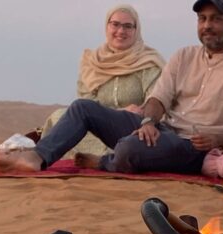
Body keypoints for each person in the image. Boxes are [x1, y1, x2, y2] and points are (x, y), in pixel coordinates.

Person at [0, 0, 223, 175]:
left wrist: (217, 141)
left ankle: (107, 161)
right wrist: (148, 120)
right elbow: (158, 98)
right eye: (203, 19)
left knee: (130, 147)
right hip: (161, 132)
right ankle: (36, 158)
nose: (208, 25)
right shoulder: (184, 56)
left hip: (192, 147)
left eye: (216, 19)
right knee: (82, 108)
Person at [41, 4, 165, 157]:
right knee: (59, 116)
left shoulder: (148, 62)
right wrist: (118, 112)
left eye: (128, 26)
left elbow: (156, 101)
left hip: (131, 126)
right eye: (115, 24)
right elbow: (86, 102)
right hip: (97, 125)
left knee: (139, 135)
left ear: (136, 30)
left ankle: (103, 156)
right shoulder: (92, 61)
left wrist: (128, 116)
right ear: (107, 26)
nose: (121, 31)